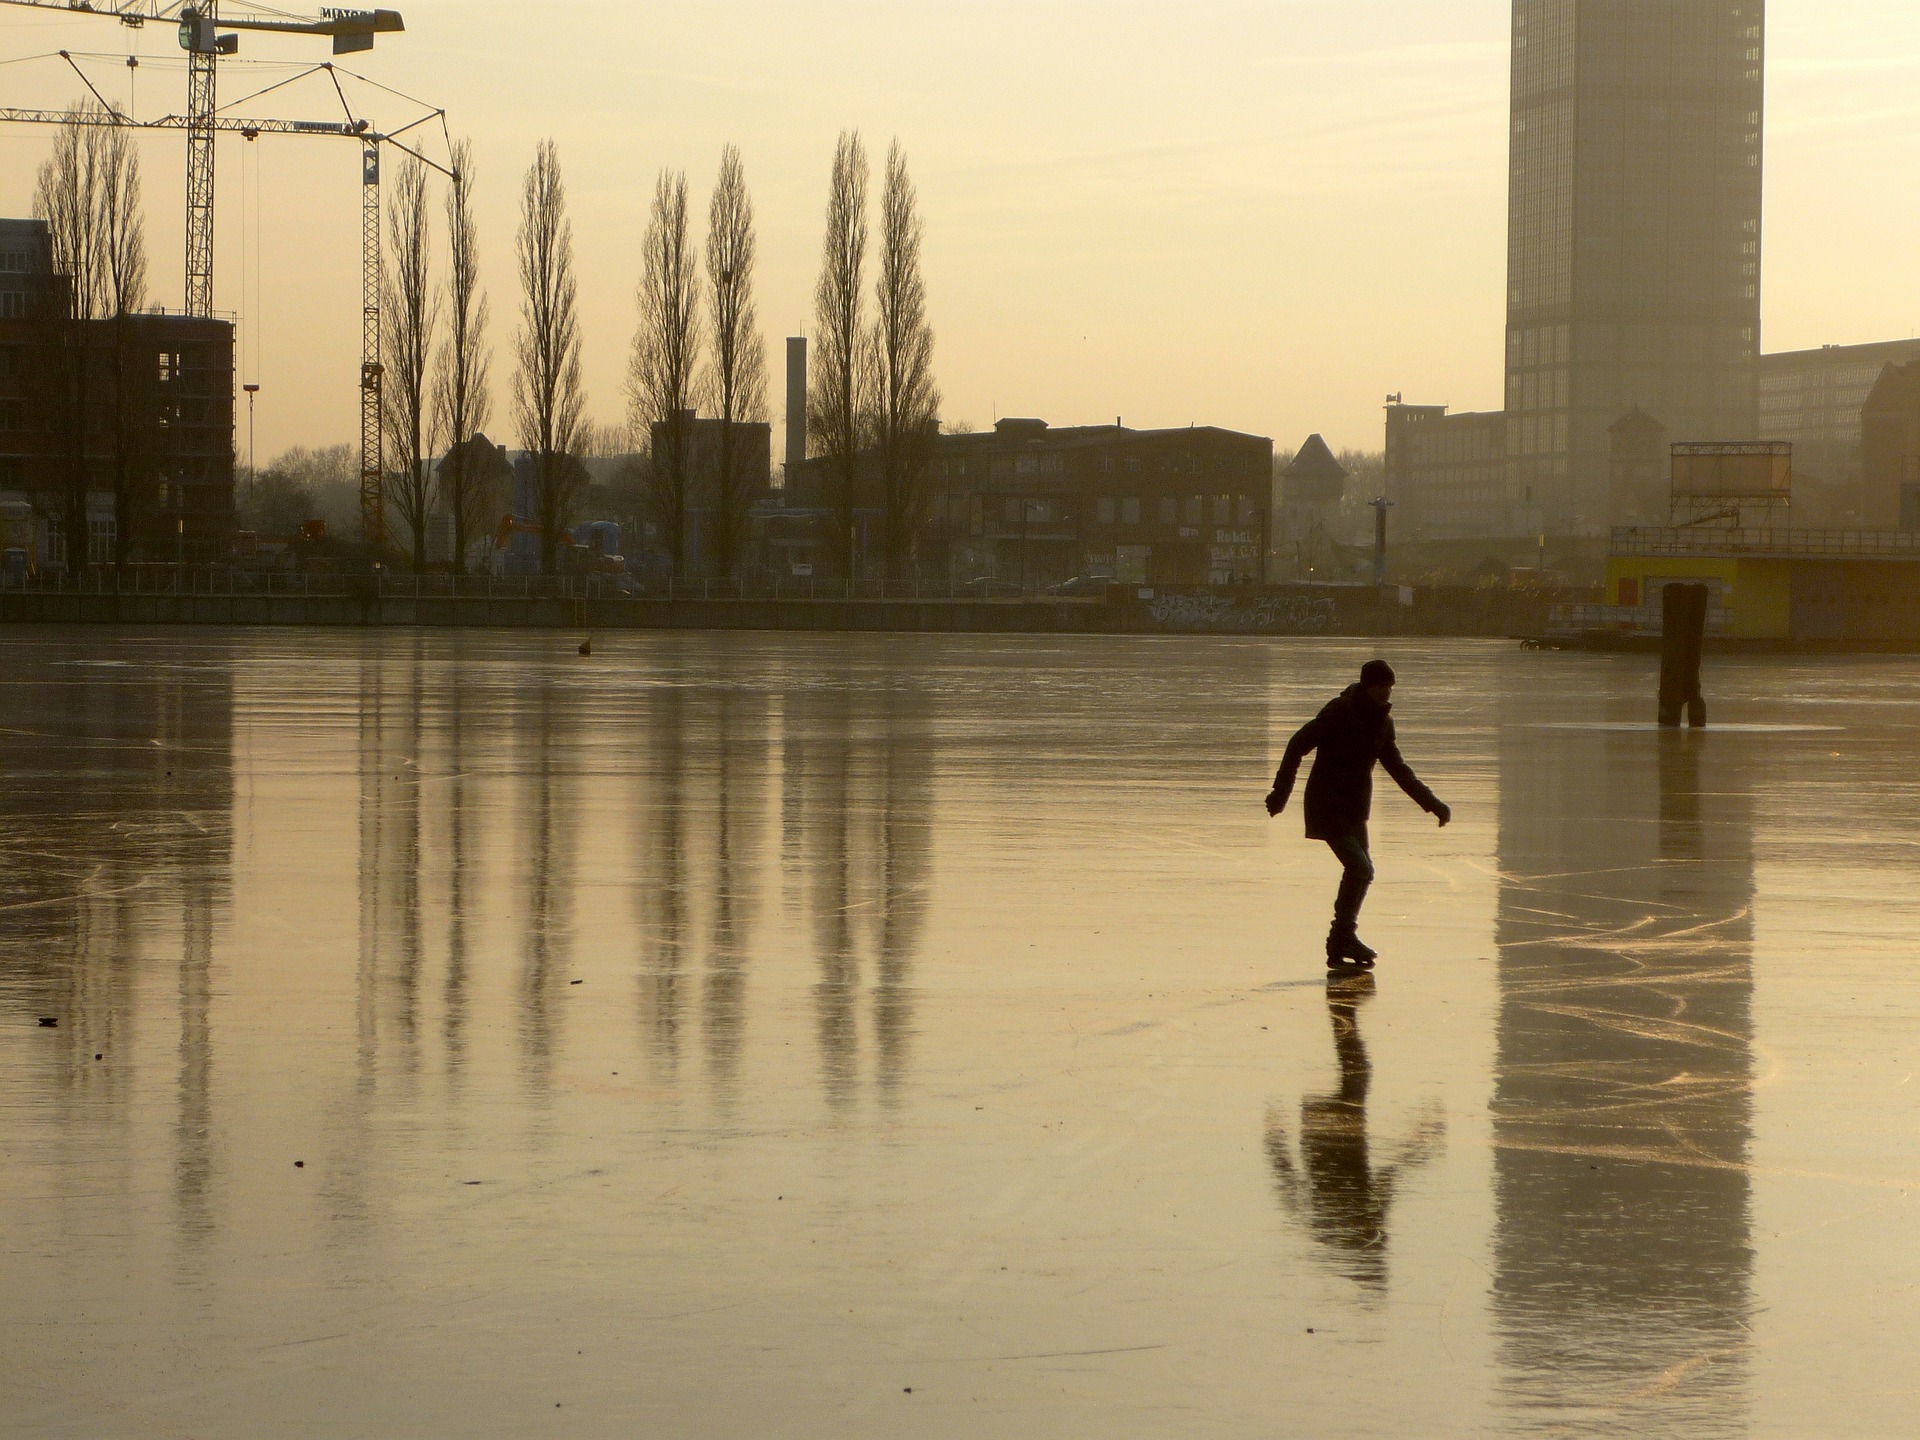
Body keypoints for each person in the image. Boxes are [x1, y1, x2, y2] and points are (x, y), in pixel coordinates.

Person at [1266, 659, 1451, 967]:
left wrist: (1433, 804)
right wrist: (1281, 792)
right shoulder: (1341, 710)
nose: (1387, 693)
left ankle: (1342, 940)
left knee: (1364, 871)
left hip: (1354, 810)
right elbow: (1298, 742)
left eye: (1390, 687)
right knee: (1359, 867)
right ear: (1368, 685)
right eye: (1382, 686)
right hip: (1326, 805)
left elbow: (1399, 769)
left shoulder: (1382, 722)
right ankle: (1341, 937)